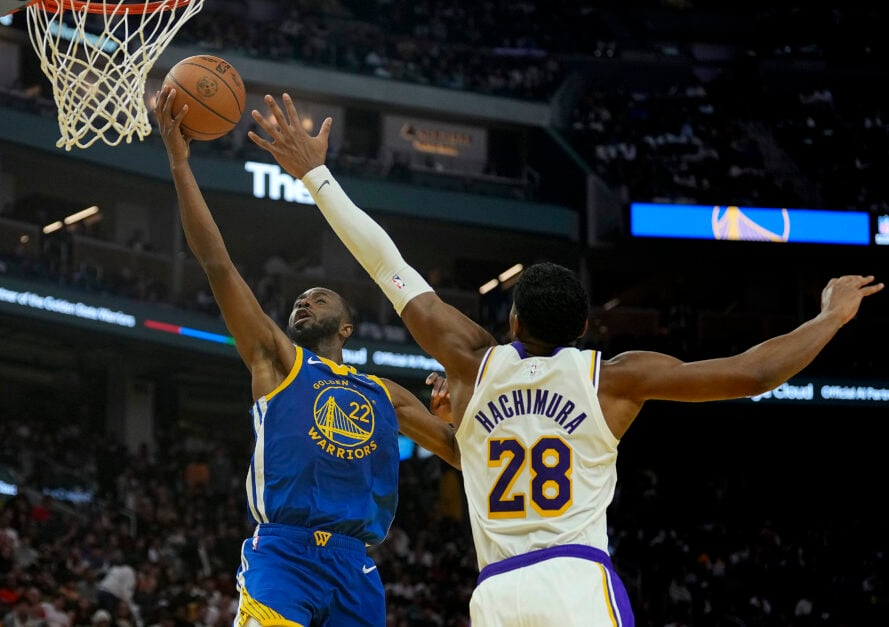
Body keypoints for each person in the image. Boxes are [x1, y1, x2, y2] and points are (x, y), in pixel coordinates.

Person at [247, 92, 885, 626]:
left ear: (513, 320)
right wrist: (830, 315)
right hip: (577, 584)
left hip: (496, 594)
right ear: (583, 329)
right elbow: (753, 373)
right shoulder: (613, 378)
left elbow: (388, 265)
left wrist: (315, 176)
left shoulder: (472, 364)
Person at [154, 89, 459, 627]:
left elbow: (463, 455)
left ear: (345, 326)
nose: (304, 300)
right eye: (300, 298)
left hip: (355, 565)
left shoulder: (386, 394)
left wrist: (461, 414)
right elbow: (217, 264)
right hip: (284, 554)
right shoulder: (277, 360)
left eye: (319, 298)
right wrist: (180, 164)